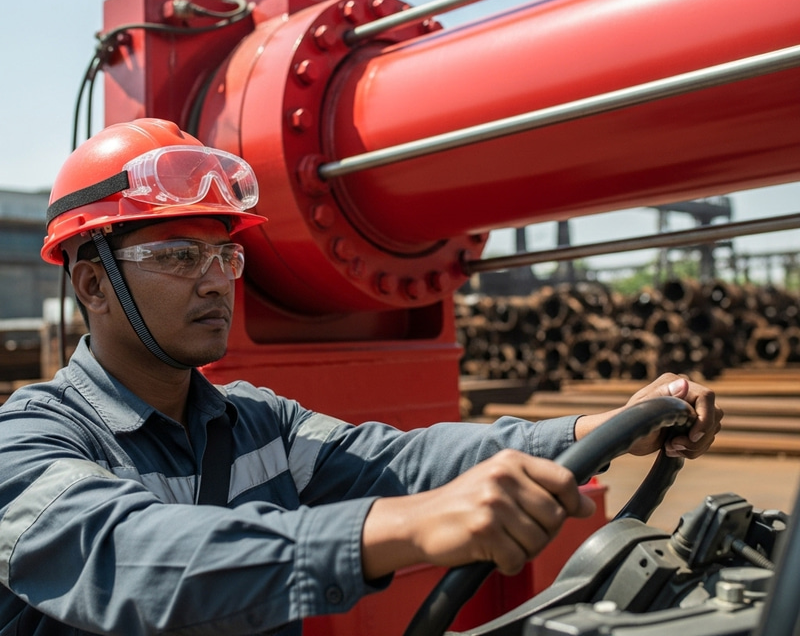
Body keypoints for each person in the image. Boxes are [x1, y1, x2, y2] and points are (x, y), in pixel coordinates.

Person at [0, 118, 722, 635]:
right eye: (181, 257)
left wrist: (597, 430)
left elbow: (402, 459)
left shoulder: (257, 423)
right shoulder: (30, 443)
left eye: (226, 257)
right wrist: (407, 526)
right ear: (93, 284)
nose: (217, 282)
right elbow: (132, 557)